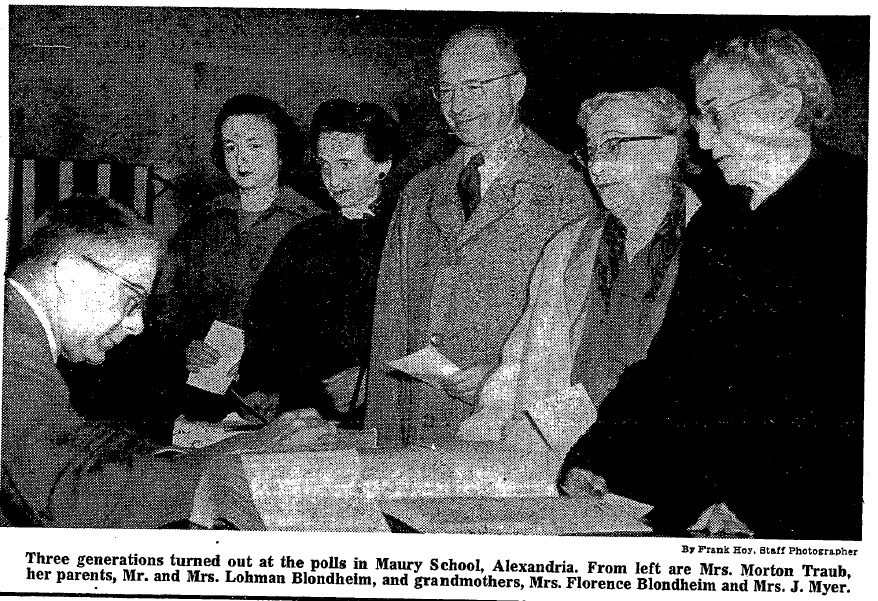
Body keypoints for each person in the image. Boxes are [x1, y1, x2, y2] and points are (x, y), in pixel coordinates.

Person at [562, 29, 865, 540]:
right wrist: (600, 453)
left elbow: (840, 399)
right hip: (709, 501)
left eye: (719, 116)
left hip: (800, 508)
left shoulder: (856, 207)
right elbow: (674, 361)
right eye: (700, 118)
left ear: (788, 104)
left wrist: (754, 501)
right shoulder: (716, 222)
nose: (703, 140)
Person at [1, 195, 332, 528]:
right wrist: (245, 455)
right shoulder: (13, 353)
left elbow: (77, 442)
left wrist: (237, 443)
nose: (137, 325)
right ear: (72, 275)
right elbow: (72, 501)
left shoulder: (20, 330)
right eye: (132, 301)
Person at [367, 26, 594, 446]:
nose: (457, 105)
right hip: (418, 423)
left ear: (517, 87)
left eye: (474, 87)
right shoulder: (418, 192)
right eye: (446, 90)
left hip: (508, 425)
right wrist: (380, 439)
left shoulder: (569, 188)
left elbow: (576, 332)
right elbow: (389, 328)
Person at [459, 87, 700, 444]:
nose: (598, 168)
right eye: (591, 152)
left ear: (667, 150)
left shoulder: (715, 243)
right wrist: (483, 433)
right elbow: (520, 358)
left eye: (614, 147)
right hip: (560, 453)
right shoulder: (568, 245)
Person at [151, 93, 324, 422]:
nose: (242, 158)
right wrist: (187, 344)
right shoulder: (203, 223)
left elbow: (321, 326)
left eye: (255, 145)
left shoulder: (312, 224)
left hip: (286, 392)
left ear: (281, 151)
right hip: (208, 385)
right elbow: (169, 300)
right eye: (230, 146)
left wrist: (279, 380)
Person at [239, 99, 400, 422]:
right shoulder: (305, 238)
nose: (333, 180)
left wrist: (374, 378)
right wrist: (264, 386)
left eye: (346, 164)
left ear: (383, 164)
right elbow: (264, 320)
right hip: (303, 410)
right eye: (325, 165)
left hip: (382, 408)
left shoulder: (408, 235)